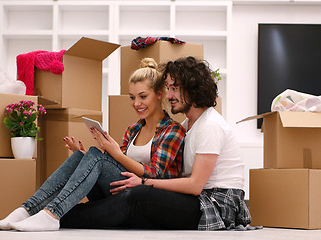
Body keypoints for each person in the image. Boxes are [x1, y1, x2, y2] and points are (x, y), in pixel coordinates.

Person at [0, 58, 185, 231]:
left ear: (160, 94)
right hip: (121, 188)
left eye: (143, 96)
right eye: (132, 98)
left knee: (97, 156)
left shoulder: (173, 131)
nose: (136, 104)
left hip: (146, 196)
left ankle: (51, 214)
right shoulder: (133, 130)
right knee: (83, 156)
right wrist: (86, 159)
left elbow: (155, 173)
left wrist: (115, 154)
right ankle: (26, 210)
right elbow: (120, 166)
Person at [60, 56, 252, 230]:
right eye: (168, 88)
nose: (169, 96)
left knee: (138, 195)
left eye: (174, 88)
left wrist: (144, 182)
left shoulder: (210, 125)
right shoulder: (188, 124)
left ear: (194, 89)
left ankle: (64, 217)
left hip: (214, 204)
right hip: (195, 199)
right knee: (125, 198)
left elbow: (195, 186)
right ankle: (60, 213)